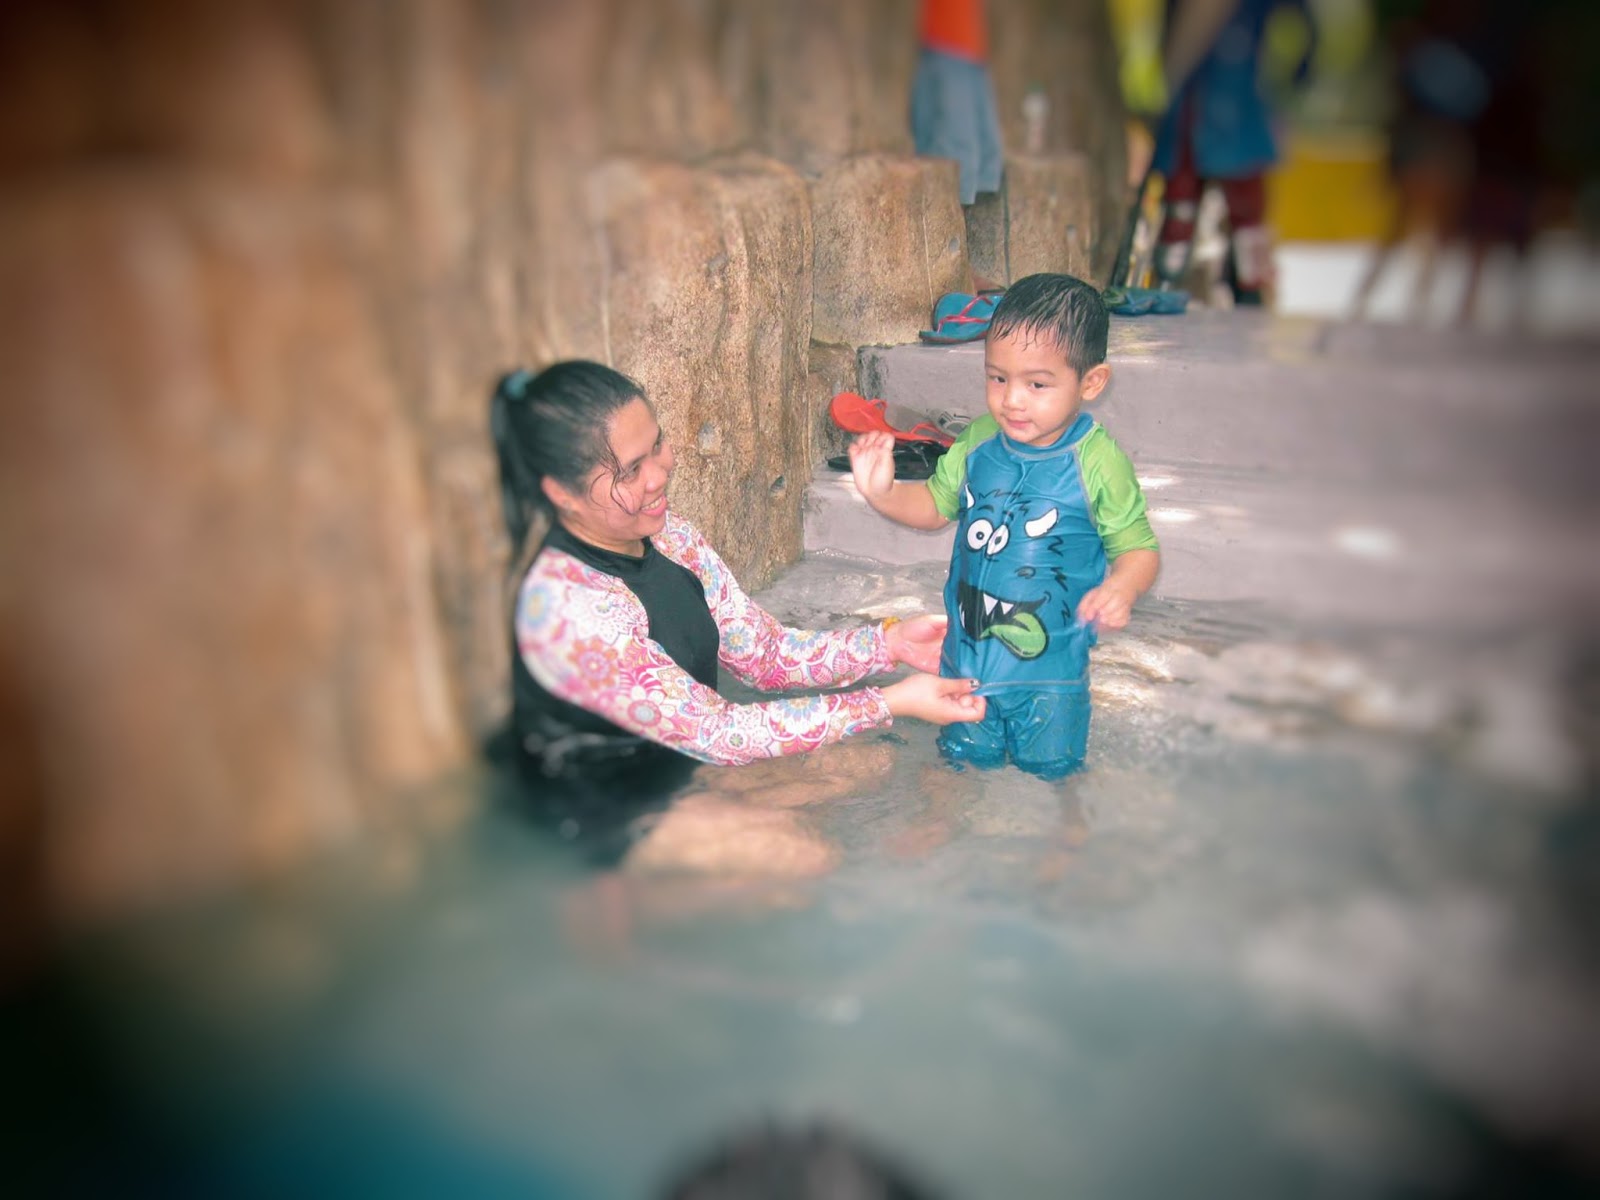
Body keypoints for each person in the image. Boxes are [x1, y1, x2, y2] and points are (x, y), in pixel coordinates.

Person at [489, 361, 986, 787]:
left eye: (657, 445)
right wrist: (890, 702)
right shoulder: (571, 606)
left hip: (683, 760)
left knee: (871, 762)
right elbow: (717, 732)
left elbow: (764, 655)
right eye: (630, 471)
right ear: (561, 494)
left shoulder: (669, 537)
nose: (659, 475)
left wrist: (888, 644)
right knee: (792, 848)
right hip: (596, 805)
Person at [847, 274, 1160, 779]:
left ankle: (1064, 828)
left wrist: (1122, 587)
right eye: (997, 378)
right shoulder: (978, 441)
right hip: (966, 666)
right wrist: (883, 492)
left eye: (1037, 385)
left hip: (1050, 682)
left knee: (1055, 775)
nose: (1012, 400)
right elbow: (934, 506)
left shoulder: (1098, 463)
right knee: (957, 768)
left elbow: (1139, 549)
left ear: (1090, 382)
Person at [1151, 0, 1315, 304]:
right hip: (1193, 108)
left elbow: (1304, 27)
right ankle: (1168, 282)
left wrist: (1294, 81)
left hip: (1239, 107)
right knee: (1180, 205)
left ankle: (1250, 287)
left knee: (1248, 215)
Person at [911, 0, 1003, 208]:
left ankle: (951, 210)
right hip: (959, 45)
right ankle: (973, 210)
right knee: (977, 147)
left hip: (950, 43)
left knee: (953, 143)